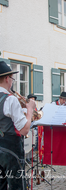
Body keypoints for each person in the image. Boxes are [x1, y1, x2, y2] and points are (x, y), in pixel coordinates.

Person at [0, 61, 36, 189]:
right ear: (6, 78)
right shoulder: (10, 99)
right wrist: (30, 110)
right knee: (17, 185)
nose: (12, 82)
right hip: (11, 149)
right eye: (12, 78)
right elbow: (24, 130)